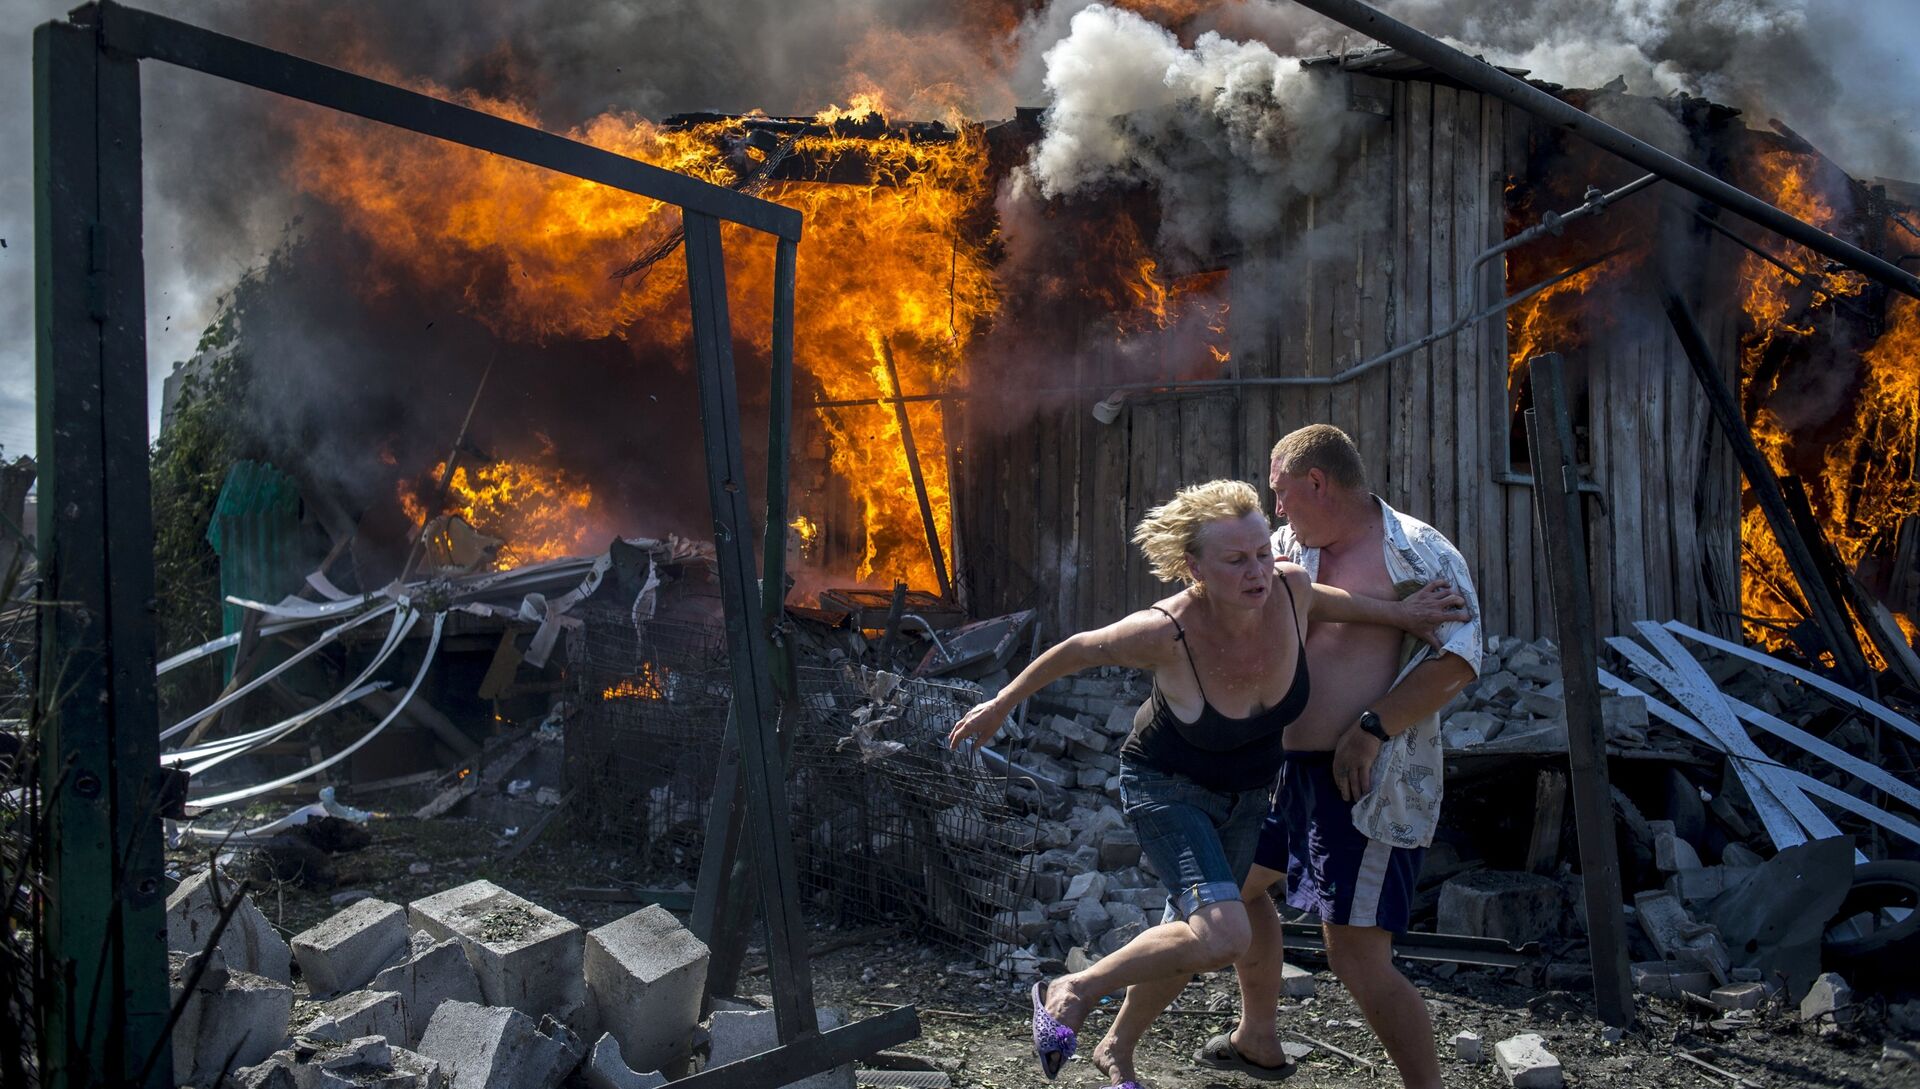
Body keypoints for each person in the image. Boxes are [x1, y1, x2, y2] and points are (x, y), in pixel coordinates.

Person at [946, 478, 1469, 1088]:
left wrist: (1402, 614)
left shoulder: (1290, 589)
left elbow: (1335, 602)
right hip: (1168, 788)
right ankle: (1073, 987)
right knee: (1221, 932)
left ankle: (1170, 1044)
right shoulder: (1163, 631)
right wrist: (1001, 703)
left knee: (1205, 923)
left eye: (1260, 554)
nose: (1259, 572)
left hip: (1250, 793)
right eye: (1236, 561)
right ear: (1194, 567)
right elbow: (1076, 649)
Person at [1195, 425, 1482, 1089]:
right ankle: (1259, 1035)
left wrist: (1372, 727)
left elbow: (1461, 657)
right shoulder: (1291, 547)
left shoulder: (1418, 551)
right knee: (1235, 888)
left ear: (1317, 482)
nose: (1279, 509)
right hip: (1276, 772)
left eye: (1283, 493)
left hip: (1362, 781)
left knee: (1354, 951)